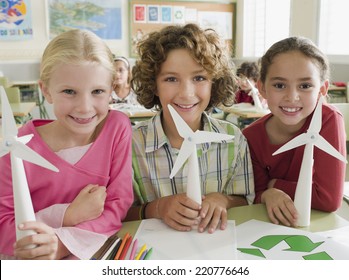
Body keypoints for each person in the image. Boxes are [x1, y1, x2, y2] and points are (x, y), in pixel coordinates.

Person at [0, 29, 133, 259]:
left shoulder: (117, 128)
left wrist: (61, 243)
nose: (84, 107)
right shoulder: (16, 147)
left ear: (111, 90)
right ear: (46, 91)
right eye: (69, 91)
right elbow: (3, 228)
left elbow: (117, 206)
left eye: (98, 91)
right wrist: (66, 216)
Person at [126, 24, 255, 234]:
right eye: (171, 79)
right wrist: (157, 208)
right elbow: (120, 215)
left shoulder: (233, 138)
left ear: (215, 82)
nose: (186, 93)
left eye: (199, 78)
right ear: (154, 85)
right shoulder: (132, 145)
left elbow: (246, 201)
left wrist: (223, 200)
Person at [243, 36, 347, 227]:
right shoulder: (250, 137)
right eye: (279, 85)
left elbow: (329, 199)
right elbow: (254, 195)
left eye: (305, 86)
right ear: (262, 88)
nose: (292, 97)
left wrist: (274, 184)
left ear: (322, 89)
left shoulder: (329, 119)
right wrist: (268, 193)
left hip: (318, 226)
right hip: (271, 226)